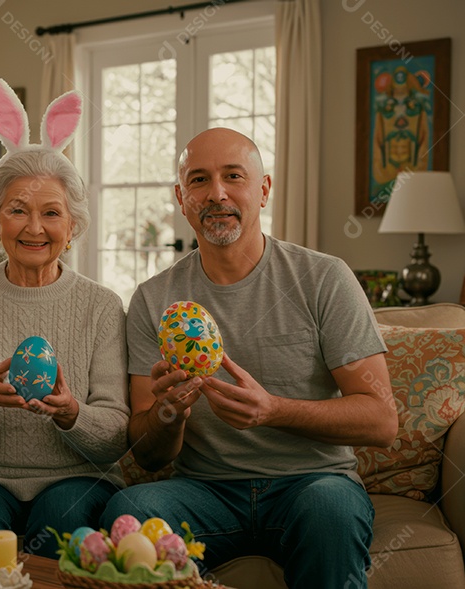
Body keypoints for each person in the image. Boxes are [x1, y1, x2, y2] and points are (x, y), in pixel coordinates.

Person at [101, 127, 397, 589]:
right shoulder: (153, 299)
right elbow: (149, 455)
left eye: (233, 176)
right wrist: (168, 414)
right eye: (199, 180)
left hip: (312, 484)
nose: (216, 193)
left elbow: (381, 421)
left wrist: (274, 410)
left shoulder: (324, 279)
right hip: (205, 492)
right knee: (131, 511)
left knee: (331, 509)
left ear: (263, 189)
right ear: (181, 198)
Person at [0, 78, 129, 559]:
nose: (34, 228)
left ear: (72, 226)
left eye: (51, 213)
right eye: (17, 211)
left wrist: (72, 412)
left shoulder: (101, 306)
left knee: (63, 518)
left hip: (77, 478)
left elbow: (117, 435)